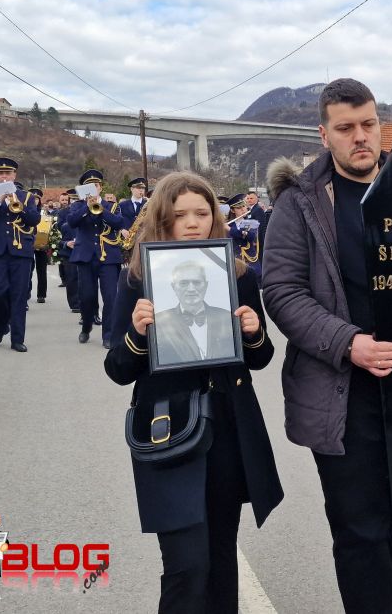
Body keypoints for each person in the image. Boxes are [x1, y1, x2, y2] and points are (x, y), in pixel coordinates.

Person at [263, 78, 392, 614]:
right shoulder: (300, 204)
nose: (360, 137)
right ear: (324, 134)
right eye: (346, 128)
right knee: (360, 534)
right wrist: (349, 342)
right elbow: (282, 292)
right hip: (342, 397)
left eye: (369, 124)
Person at [104, 171, 283, 614]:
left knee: (221, 560)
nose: (191, 223)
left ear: (214, 217)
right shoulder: (137, 278)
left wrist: (254, 332)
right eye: (179, 214)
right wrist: (138, 335)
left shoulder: (238, 275)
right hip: (168, 431)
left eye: (201, 213)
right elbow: (117, 369)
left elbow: (260, 359)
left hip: (227, 430)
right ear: (162, 218)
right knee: (186, 567)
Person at [0, 157, 40, 352]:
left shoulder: (26, 197)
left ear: (14, 175)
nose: (4, 176)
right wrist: (0, 200)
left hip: (20, 251)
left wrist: (17, 203)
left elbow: (34, 220)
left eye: (8, 173)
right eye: (0, 173)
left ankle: (17, 339)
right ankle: (1, 327)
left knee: (19, 296)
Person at [67, 169, 124, 347]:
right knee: (87, 297)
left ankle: (108, 335)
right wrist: (87, 206)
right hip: (85, 257)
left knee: (111, 297)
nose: (93, 189)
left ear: (100, 188)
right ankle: (86, 327)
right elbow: (72, 222)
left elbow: (118, 223)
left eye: (96, 186)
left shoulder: (111, 206)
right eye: (89, 187)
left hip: (108, 257)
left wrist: (100, 209)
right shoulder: (77, 206)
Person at [152, 260, 236, 363]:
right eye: (184, 283)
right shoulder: (159, 322)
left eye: (196, 282)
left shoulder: (227, 317)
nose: (191, 289)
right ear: (173, 287)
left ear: (206, 285)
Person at [29, 187, 51, 304]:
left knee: (41, 270)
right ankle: (26, 292)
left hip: (41, 243)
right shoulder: (25, 211)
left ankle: (41, 294)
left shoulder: (44, 213)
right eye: (33, 199)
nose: (35, 201)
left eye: (37, 199)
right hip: (28, 243)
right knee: (28, 270)